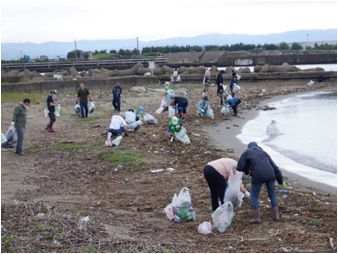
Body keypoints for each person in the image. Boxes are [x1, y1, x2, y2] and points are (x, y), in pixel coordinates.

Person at [236, 141, 285, 224]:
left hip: (258, 175)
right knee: (272, 195)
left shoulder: (247, 152)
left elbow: (239, 167)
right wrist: (281, 182)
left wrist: (246, 168)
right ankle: (276, 216)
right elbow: (276, 168)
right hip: (270, 174)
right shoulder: (264, 153)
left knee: (254, 196)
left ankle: (257, 218)